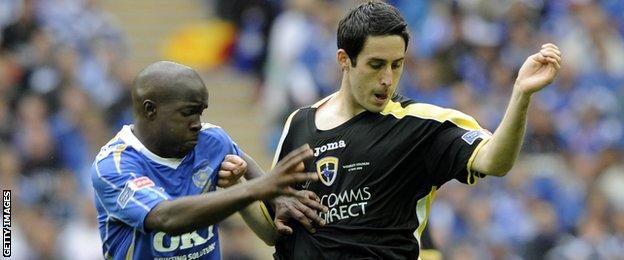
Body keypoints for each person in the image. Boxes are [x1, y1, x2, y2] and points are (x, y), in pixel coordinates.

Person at [269, 1, 561, 259]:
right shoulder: (299, 123)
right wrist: (239, 183)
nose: (387, 78)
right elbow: (272, 228)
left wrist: (521, 94)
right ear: (344, 60)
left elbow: (495, 161)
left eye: (397, 65)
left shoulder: (420, 125)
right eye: (376, 65)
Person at [90, 61, 320, 259]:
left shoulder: (210, 140)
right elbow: (166, 217)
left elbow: (243, 161)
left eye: (200, 112)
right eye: (187, 112)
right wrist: (259, 188)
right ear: (150, 110)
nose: (197, 123)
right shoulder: (114, 165)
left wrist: (277, 197)